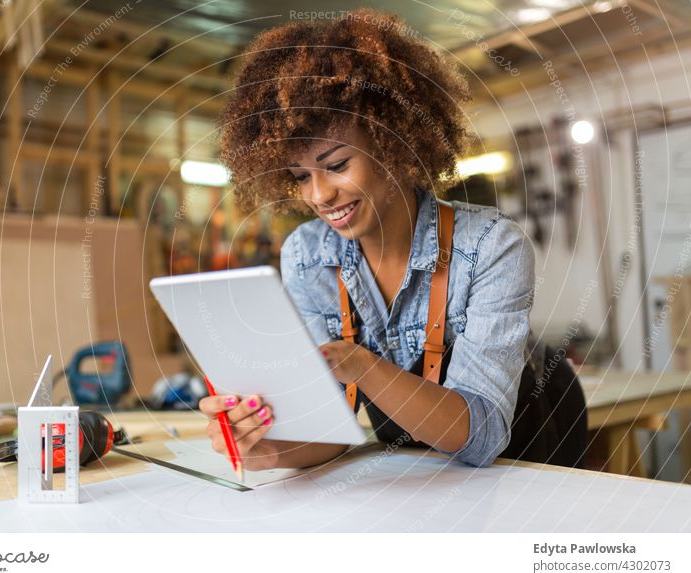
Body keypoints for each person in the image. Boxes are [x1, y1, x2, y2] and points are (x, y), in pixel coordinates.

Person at [198, 9, 535, 469]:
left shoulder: (492, 247)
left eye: (337, 165)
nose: (318, 195)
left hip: (525, 470)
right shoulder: (308, 256)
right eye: (300, 176)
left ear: (394, 143)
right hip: (419, 480)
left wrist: (359, 364)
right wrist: (266, 451)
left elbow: (481, 439)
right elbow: (331, 430)